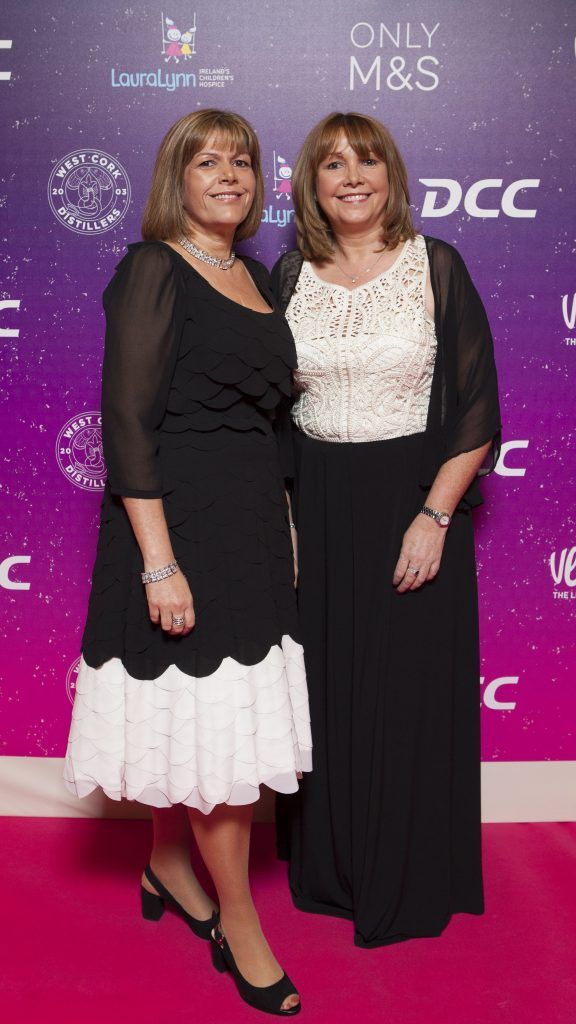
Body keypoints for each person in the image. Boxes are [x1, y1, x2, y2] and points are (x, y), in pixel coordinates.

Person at [63, 108, 311, 1015]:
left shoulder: (253, 276)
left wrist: (284, 525)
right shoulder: (152, 270)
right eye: (206, 161)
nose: (229, 175)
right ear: (178, 178)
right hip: (177, 528)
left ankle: (167, 863)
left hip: (247, 526)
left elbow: (268, 422)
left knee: (205, 714)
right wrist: (158, 565)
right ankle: (241, 923)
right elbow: (128, 423)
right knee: (213, 733)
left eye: (241, 161)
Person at [272, 111, 501, 949]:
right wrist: (286, 523)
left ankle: (408, 876)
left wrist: (435, 516)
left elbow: (477, 406)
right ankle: (331, 869)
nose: (352, 175)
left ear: (390, 174)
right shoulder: (289, 272)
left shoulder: (436, 265)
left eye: (366, 160)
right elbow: (268, 413)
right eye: (332, 164)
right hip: (318, 503)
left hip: (410, 498)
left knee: (405, 692)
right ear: (311, 186)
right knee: (326, 690)